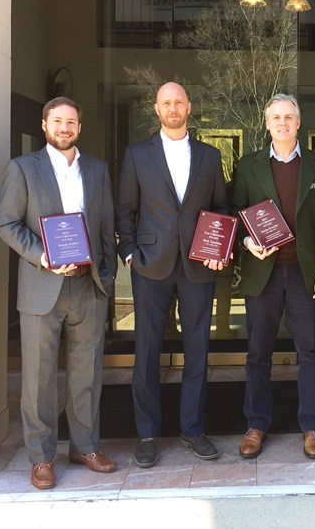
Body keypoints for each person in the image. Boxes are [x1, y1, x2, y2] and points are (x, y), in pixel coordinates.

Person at [0, 97, 117, 489]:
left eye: (71, 122)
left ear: (79, 127)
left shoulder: (96, 170)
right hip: (41, 285)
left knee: (86, 373)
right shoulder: (23, 168)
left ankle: (85, 446)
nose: (65, 128)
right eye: (58, 121)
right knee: (38, 378)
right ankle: (41, 457)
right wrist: (42, 256)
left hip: (87, 285)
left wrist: (107, 278)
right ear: (45, 125)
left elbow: (106, 228)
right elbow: (6, 223)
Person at [116, 82, 228, 467]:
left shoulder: (210, 156)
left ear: (189, 107)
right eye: (167, 102)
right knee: (147, 351)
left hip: (198, 265)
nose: (174, 108)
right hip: (151, 264)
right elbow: (125, 210)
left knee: (197, 351)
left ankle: (192, 430)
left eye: (179, 101)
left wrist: (219, 248)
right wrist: (129, 253)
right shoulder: (137, 155)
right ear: (157, 109)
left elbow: (222, 208)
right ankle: (147, 434)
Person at [230, 94, 315, 459]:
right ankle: (256, 424)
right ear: (267, 124)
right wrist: (248, 242)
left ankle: (312, 425)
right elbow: (236, 212)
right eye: (276, 117)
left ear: (298, 122)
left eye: (288, 117)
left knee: (310, 352)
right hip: (264, 273)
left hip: (305, 274)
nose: (282, 123)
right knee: (258, 353)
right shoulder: (249, 165)